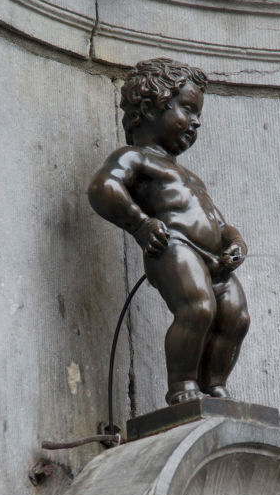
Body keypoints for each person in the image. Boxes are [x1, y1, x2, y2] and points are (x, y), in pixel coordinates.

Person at [88, 58, 250, 405]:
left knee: (235, 316)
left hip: (214, 259)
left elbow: (219, 223)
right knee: (197, 308)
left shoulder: (191, 177)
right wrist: (139, 223)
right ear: (150, 107)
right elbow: (103, 188)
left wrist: (235, 241)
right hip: (173, 245)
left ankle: (215, 387)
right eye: (188, 110)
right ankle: (182, 386)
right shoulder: (135, 158)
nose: (196, 122)